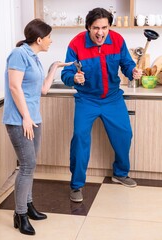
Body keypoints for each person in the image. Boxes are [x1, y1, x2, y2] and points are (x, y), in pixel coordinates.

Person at [61, 8, 143, 203]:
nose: (100, 32)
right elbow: (65, 74)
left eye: (104, 27)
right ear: (88, 27)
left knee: (124, 135)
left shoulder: (117, 40)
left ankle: (120, 173)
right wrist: (74, 77)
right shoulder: (76, 44)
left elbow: (127, 63)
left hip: (112, 99)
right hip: (87, 100)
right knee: (80, 139)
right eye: (96, 28)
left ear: (109, 27)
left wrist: (133, 71)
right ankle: (76, 185)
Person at [2, 18, 72, 235]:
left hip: (33, 119)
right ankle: (20, 214)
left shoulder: (35, 58)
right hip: (19, 120)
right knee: (27, 165)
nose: (51, 41)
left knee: (30, 165)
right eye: (49, 37)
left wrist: (53, 68)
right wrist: (24, 117)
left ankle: (29, 205)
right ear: (40, 39)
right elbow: (14, 87)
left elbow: (43, 89)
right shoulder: (19, 54)